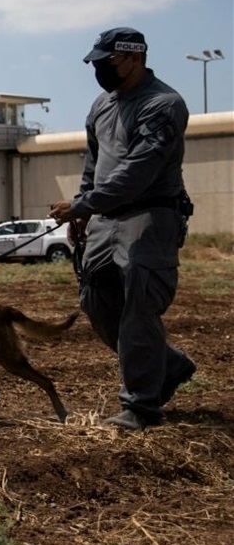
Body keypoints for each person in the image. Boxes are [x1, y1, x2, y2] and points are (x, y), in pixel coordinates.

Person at [48, 27, 196, 431]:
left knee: (138, 308)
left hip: (148, 216)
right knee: (96, 301)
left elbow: (139, 171)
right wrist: (81, 212)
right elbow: (94, 167)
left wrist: (83, 205)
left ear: (133, 58)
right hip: (106, 217)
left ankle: (142, 407)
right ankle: (170, 364)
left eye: (106, 62)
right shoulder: (101, 106)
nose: (99, 69)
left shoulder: (162, 104)